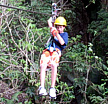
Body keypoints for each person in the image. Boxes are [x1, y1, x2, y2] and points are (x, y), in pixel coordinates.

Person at [39, 16, 68, 98]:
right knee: (43, 64)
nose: (59, 29)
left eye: (61, 27)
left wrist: (56, 33)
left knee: (54, 65)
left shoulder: (64, 34)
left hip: (56, 51)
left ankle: (52, 88)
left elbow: (62, 43)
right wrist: (51, 21)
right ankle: (42, 87)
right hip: (48, 49)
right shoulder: (53, 31)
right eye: (58, 27)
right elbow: (50, 24)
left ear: (64, 27)